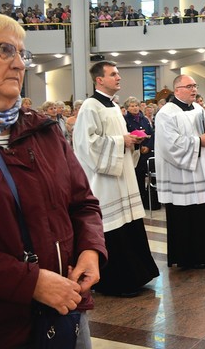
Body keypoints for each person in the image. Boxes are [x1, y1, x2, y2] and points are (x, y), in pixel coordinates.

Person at [0, 13, 108, 348]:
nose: (19, 64)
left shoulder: (44, 130)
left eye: (22, 54)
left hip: (65, 308)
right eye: (5, 50)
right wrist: (30, 282)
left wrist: (91, 249)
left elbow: (83, 202)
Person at [73, 60, 159, 297]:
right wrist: (123, 141)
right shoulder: (91, 107)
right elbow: (85, 144)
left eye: (118, 73)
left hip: (122, 176)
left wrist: (131, 140)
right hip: (106, 180)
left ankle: (136, 276)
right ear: (99, 79)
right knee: (114, 229)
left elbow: (115, 138)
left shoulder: (112, 106)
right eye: (113, 74)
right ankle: (116, 282)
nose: (119, 77)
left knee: (129, 225)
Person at [154, 75, 205, 268]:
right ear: (177, 90)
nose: (194, 90)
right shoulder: (166, 113)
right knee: (186, 214)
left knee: (204, 211)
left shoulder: (199, 109)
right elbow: (169, 144)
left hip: (202, 168)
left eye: (195, 86)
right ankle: (187, 257)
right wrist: (199, 141)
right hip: (181, 173)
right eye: (189, 86)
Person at [124, 96, 156, 209]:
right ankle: (137, 200)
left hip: (145, 152)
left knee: (145, 175)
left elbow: (152, 134)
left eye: (136, 105)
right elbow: (125, 134)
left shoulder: (144, 119)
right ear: (127, 108)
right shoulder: (125, 119)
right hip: (134, 151)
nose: (135, 108)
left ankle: (147, 199)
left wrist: (147, 146)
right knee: (136, 177)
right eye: (132, 106)